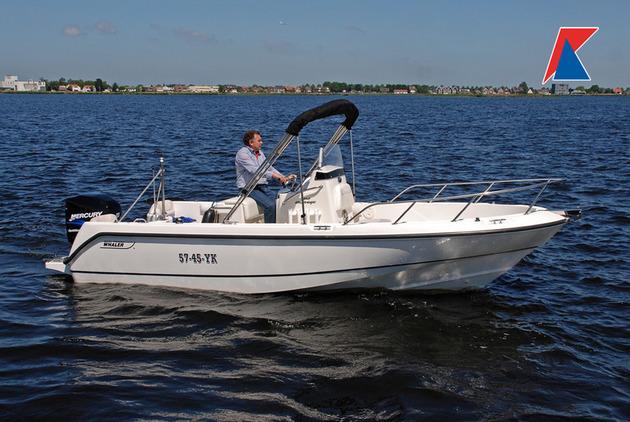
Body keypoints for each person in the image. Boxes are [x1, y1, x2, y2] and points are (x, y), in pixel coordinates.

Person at [235, 130, 293, 223]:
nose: (262, 142)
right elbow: (255, 171)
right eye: (259, 141)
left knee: (280, 202)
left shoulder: (260, 153)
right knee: (270, 206)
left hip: (262, 186)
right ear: (251, 142)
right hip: (249, 188)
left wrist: (283, 177)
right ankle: (270, 230)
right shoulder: (242, 153)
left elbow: (268, 167)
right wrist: (275, 176)